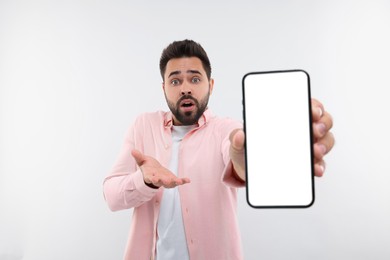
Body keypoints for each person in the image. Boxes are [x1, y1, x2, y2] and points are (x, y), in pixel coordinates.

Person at [103, 39, 335, 260]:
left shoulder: (227, 129)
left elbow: (237, 154)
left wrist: (245, 156)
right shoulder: (143, 126)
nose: (185, 88)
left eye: (195, 79)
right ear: (164, 88)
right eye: (175, 81)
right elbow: (111, 196)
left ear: (210, 85)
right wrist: (144, 180)